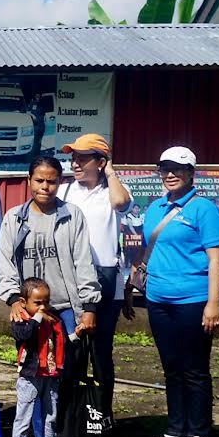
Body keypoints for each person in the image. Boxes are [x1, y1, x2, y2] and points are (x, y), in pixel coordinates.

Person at [0, 155, 100, 437]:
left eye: (51, 181)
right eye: (39, 180)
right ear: (29, 181)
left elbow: (84, 261)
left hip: (65, 309)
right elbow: (5, 262)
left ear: (60, 182)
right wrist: (14, 299)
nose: (45, 186)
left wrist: (89, 306)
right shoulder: (14, 218)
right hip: (30, 313)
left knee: (63, 378)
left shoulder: (72, 216)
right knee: (35, 376)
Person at [127, 147, 219, 437]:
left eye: (178, 169)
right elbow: (146, 250)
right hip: (158, 300)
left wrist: (213, 303)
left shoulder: (203, 210)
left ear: (192, 173)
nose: (170, 174)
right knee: (171, 369)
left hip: (193, 302)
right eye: (164, 168)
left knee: (194, 370)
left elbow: (215, 258)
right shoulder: (154, 208)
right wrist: (132, 285)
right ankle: (175, 431)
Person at [58, 134, 133, 413]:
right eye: (73, 158)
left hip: (106, 283)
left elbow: (122, 204)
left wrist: (110, 172)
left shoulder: (111, 191)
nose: (75, 163)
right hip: (71, 283)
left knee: (101, 354)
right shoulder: (65, 192)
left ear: (100, 162)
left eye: (82, 158)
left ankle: (101, 416)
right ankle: (72, 419)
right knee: (72, 354)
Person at [10, 277, 65, 437]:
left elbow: (61, 341)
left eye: (46, 302)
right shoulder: (21, 320)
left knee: (51, 416)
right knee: (23, 416)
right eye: (37, 303)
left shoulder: (52, 319)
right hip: (29, 376)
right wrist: (37, 318)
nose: (43, 307)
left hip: (50, 374)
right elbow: (23, 335)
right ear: (24, 303)